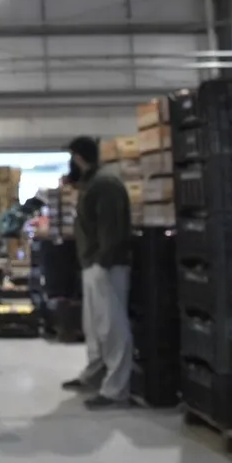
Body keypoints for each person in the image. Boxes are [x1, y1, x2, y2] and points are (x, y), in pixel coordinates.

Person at [60, 136, 134, 410]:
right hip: (93, 264)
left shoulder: (105, 185)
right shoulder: (93, 183)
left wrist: (103, 263)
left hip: (107, 266)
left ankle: (115, 390)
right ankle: (94, 375)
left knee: (112, 329)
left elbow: (112, 230)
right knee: (95, 327)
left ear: (78, 157)